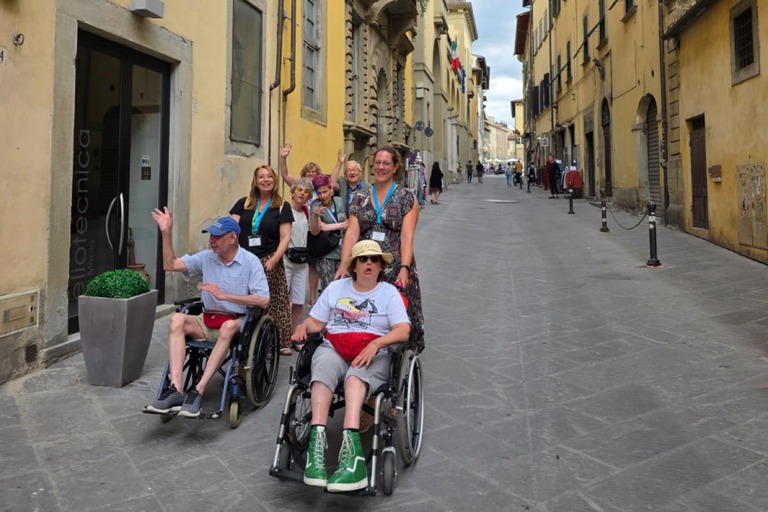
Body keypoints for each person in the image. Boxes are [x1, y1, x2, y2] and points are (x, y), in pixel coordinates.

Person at [292, 240, 410, 492]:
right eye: (363, 259)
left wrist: (377, 344)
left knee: (355, 378)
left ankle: (353, 461)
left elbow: (403, 330)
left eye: (373, 260)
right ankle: (317, 451)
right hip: (335, 347)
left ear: (380, 267)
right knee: (321, 372)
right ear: (353, 266)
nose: (368, 263)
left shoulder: (389, 294)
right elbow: (316, 321)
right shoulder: (336, 288)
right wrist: (303, 326)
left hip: (372, 352)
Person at [144, 211, 270, 418]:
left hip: (237, 323)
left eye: (216, 237)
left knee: (228, 327)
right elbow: (170, 265)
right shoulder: (207, 257)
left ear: (232, 237)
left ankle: (199, 389)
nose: (211, 241)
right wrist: (166, 233)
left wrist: (225, 296)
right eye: (210, 236)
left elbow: (263, 300)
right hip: (208, 319)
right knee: (177, 318)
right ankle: (176, 389)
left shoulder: (251, 262)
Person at [335, 144, 424, 352]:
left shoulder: (406, 198)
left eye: (386, 163)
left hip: (394, 268)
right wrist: (343, 265)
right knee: (362, 311)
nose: (381, 167)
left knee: (394, 311)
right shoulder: (360, 197)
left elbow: (407, 235)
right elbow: (352, 233)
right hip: (364, 267)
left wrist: (404, 268)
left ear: (395, 167)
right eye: (377, 163)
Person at [230, 165, 295, 356]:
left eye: (269, 176)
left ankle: (280, 340)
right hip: (244, 259)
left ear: (274, 181)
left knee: (274, 302)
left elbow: (285, 238)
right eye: (261, 177)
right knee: (244, 299)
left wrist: (275, 259)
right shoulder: (243, 203)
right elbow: (232, 230)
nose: (265, 180)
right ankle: (246, 336)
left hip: (269, 258)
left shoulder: (282, 206)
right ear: (255, 181)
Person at [310, 175, 348, 302]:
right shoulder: (315, 205)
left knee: (343, 287)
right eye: (319, 193)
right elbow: (316, 231)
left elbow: (346, 223)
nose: (322, 196)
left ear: (331, 190)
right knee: (329, 288)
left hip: (342, 251)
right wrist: (316, 216)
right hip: (326, 253)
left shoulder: (339, 201)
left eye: (325, 191)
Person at [284, 178, 313, 335]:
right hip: (285, 260)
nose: (302, 194)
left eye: (306, 192)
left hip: (302, 263)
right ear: (293, 192)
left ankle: (295, 334)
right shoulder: (285, 209)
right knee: (282, 302)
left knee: (298, 302)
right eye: (300, 190)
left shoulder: (306, 212)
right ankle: (282, 336)